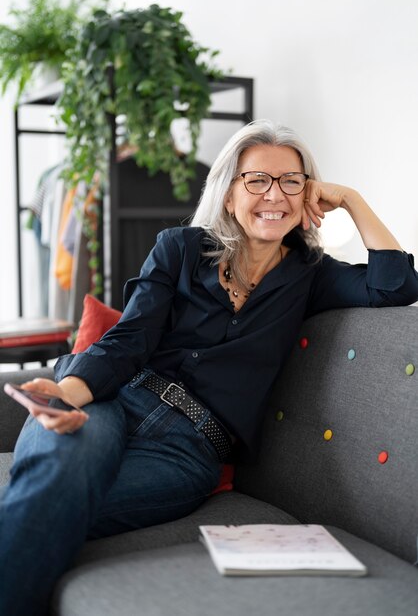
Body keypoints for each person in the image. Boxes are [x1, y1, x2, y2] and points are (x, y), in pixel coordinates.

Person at [1, 119, 418, 615]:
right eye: (257, 179)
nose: (275, 194)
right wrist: (69, 392)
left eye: (291, 181)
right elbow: (130, 339)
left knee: (47, 497)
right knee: (59, 475)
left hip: (188, 450)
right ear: (228, 193)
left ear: (308, 193)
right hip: (114, 400)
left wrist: (349, 198)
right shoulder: (179, 248)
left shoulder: (311, 276)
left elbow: (395, 286)